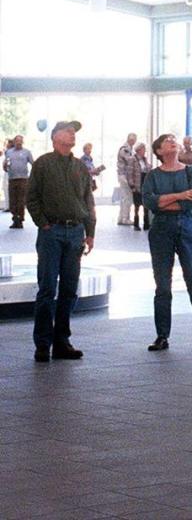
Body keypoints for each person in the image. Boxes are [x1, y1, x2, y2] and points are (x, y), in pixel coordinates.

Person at [141, 133, 192, 353]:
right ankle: (162, 335)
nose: (173, 141)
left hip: (186, 228)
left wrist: (164, 200)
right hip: (160, 230)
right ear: (159, 151)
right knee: (162, 284)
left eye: (173, 139)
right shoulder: (153, 176)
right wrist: (179, 195)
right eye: (167, 140)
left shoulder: (191, 171)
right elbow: (149, 202)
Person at [24, 119, 95, 363]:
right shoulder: (43, 163)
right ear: (55, 137)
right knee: (47, 289)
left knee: (68, 289)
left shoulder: (80, 167)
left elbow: (88, 201)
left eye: (74, 132)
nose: (72, 135)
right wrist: (42, 222)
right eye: (68, 131)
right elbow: (31, 197)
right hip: (51, 232)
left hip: (75, 232)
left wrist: (90, 231)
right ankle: (43, 343)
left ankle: (62, 341)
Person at [4, 134, 34, 228]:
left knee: (21, 200)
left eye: (20, 141)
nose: (19, 142)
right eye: (17, 141)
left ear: (23, 142)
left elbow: (33, 163)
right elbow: (6, 164)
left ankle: (20, 219)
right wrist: (5, 166)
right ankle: (14, 218)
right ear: (14, 142)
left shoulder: (27, 152)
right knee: (13, 200)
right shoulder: (8, 152)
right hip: (12, 178)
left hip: (23, 179)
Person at [116, 132, 138, 226]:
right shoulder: (125, 149)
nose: (133, 141)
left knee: (124, 197)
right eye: (132, 140)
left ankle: (121, 218)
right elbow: (129, 160)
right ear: (129, 139)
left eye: (134, 140)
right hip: (124, 175)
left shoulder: (129, 149)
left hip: (124, 175)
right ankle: (126, 218)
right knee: (128, 197)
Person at [131, 142, 151, 232]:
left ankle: (146, 223)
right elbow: (129, 173)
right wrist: (132, 185)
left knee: (146, 204)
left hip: (145, 183)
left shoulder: (145, 159)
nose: (144, 151)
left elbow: (148, 169)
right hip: (137, 184)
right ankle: (136, 223)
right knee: (137, 205)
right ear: (139, 150)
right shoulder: (132, 159)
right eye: (143, 149)